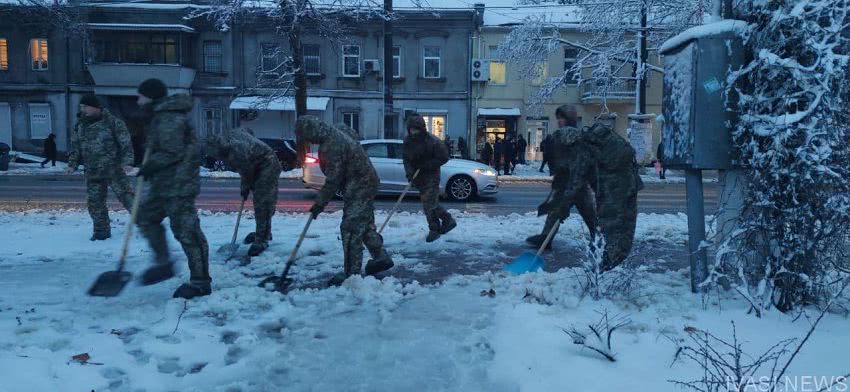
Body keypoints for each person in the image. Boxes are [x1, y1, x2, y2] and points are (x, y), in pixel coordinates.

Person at [134, 78, 211, 299]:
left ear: (150, 96)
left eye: (140, 95)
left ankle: (200, 282)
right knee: (146, 217)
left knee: (188, 233)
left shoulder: (169, 118)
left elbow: (172, 151)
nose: (137, 100)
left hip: (179, 186)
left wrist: (150, 165)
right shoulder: (158, 117)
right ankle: (163, 261)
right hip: (163, 186)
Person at [295, 115, 394, 286]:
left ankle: (351, 274)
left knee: (350, 227)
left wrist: (320, 202)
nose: (308, 140)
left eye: (306, 136)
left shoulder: (332, 143)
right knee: (364, 225)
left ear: (311, 131)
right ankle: (381, 257)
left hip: (359, 186)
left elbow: (334, 178)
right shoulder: (333, 135)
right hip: (365, 183)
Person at [555, 110, 643, 271]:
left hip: (613, 189)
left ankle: (606, 269)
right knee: (625, 226)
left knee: (610, 228)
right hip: (630, 182)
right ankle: (613, 261)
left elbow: (575, 185)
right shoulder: (594, 140)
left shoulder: (581, 150)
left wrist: (562, 209)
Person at [526, 105, 597, 250]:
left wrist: (571, 191)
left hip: (577, 184)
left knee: (589, 214)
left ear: (569, 120)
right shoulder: (563, 137)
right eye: (558, 118)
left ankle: (600, 238)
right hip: (564, 182)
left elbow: (578, 168)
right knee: (555, 211)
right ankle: (546, 237)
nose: (559, 121)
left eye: (562, 119)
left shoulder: (575, 138)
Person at [66, 94, 136, 241]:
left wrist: (128, 162)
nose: (82, 109)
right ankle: (101, 232)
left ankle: (148, 226)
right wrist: (72, 163)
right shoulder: (80, 125)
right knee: (95, 203)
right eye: (81, 107)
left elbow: (125, 144)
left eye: (85, 106)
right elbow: (75, 146)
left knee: (128, 198)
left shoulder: (113, 122)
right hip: (92, 171)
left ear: (96, 107)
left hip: (114, 169)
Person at [206, 128, 282, 256]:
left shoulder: (236, 152)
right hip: (257, 163)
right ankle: (264, 232)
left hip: (268, 164)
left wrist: (244, 187)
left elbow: (246, 172)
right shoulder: (231, 135)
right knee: (261, 200)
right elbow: (248, 131)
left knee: (262, 201)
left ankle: (262, 239)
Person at [403, 114, 457, 243]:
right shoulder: (408, 141)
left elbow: (444, 157)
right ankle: (436, 227)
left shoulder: (433, 141)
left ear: (422, 128)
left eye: (416, 129)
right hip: (417, 176)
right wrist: (410, 174)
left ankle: (445, 221)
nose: (414, 132)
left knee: (430, 203)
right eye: (411, 129)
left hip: (431, 176)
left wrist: (428, 165)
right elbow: (406, 159)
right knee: (427, 204)